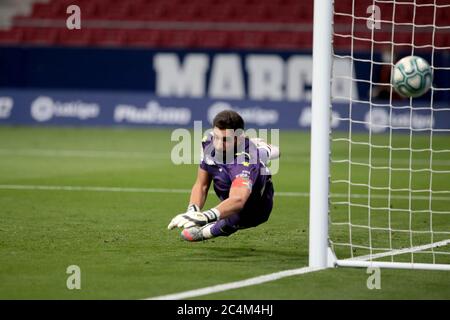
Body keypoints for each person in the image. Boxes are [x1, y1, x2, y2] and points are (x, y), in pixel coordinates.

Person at [167, 110, 280, 242]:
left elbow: (238, 199)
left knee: (202, 232)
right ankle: (265, 149)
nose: (219, 145)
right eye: (217, 137)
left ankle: (207, 230)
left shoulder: (246, 160)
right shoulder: (208, 143)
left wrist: (206, 216)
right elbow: (201, 185)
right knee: (266, 152)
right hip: (231, 190)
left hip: (253, 210)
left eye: (226, 140)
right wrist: (192, 210)